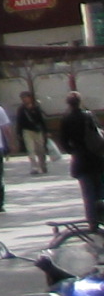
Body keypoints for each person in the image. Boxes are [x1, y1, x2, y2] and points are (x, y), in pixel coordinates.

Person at [61, 93, 104, 226]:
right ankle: (102, 217)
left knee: (88, 194)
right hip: (97, 158)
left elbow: (64, 142)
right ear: (80, 102)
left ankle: (92, 222)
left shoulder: (66, 119)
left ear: (68, 104)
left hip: (80, 160)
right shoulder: (89, 116)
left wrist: (73, 151)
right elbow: (99, 134)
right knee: (100, 191)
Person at [22, 91, 54, 175]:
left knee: (40, 150)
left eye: (25, 97)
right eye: (23, 98)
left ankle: (43, 165)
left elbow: (42, 120)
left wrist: (46, 131)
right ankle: (34, 167)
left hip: (38, 131)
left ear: (30, 98)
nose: (24, 99)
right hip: (27, 131)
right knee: (30, 150)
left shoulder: (36, 108)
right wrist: (19, 133)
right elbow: (19, 122)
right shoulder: (21, 109)